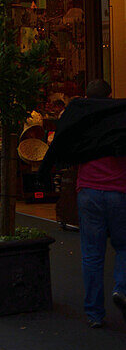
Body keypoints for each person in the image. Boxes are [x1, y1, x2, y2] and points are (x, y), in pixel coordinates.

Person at [41, 79, 126, 328]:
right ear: (110, 96)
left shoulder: (79, 119)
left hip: (88, 191)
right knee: (123, 246)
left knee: (92, 254)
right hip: (119, 191)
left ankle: (94, 313)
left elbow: (61, 145)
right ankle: (121, 287)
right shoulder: (120, 118)